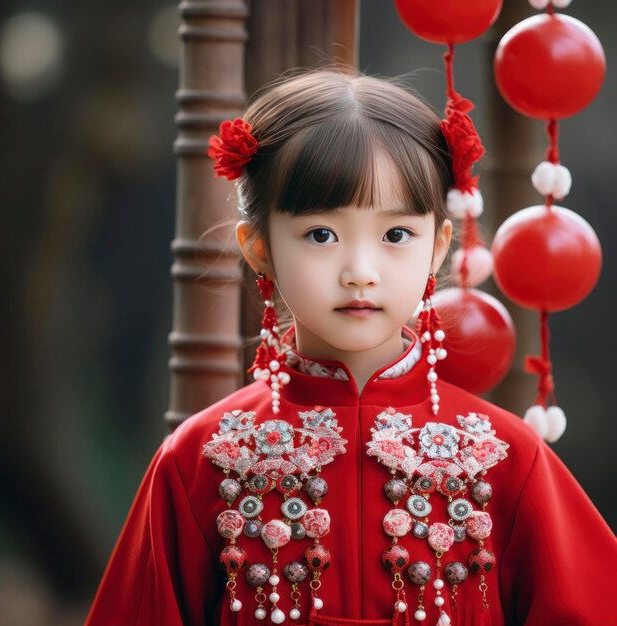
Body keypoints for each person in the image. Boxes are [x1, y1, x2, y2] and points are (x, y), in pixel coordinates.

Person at [85, 69, 616, 626]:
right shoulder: (198, 461)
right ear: (259, 247)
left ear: (437, 246)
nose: (360, 273)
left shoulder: (508, 460)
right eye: (321, 235)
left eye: (395, 236)